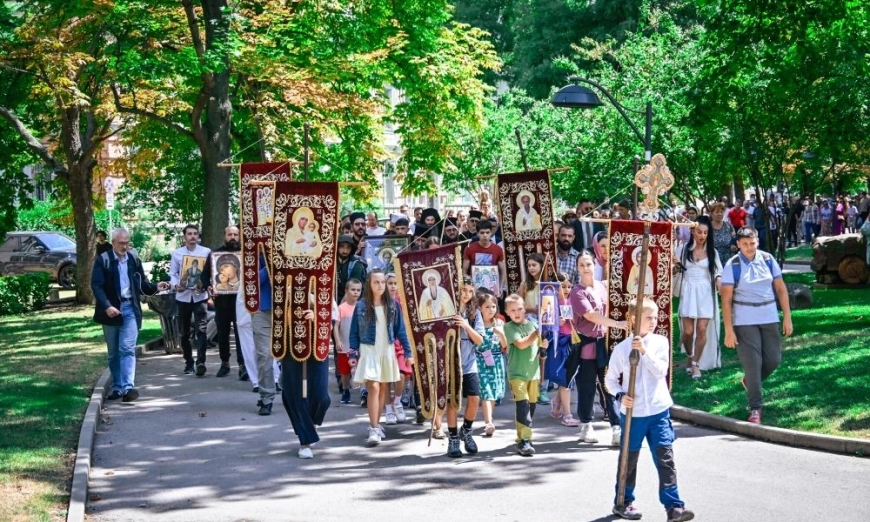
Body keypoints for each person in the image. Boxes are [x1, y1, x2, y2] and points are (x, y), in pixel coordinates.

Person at [606, 297, 695, 522]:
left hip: (658, 411)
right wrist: (620, 395)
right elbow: (610, 380)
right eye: (648, 317)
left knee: (665, 458)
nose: (654, 321)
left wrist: (644, 352)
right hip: (634, 415)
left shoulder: (660, 343)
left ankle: (674, 507)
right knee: (629, 459)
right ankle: (624, 502)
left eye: (656, 317)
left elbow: (660, 372)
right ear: (634, 319)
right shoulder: (621, 349)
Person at [721, 227, 793, 424]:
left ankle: (750, 383)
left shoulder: (768, 259)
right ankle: (755, 408)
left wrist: (787, 317)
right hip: (744, 319)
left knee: (773, 359)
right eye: (744, 244)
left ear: (757, 241)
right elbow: (726, 300)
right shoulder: (732, 265)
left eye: (752, 243)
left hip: (769, 315)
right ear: (738, 245)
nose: (749, 247)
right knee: (753, 364)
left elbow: (781, 289)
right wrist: (728, 329)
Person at [91, 228, 169, 402]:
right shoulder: (103, 261)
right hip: (111, 311)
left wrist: (157, 286)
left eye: (127, 243)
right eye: (121, 243)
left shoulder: (133, 259)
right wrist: (107, 306)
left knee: (126, 349)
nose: (124, 246)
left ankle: (128, 388)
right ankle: (118, 386)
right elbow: (96, 286)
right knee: (113, 352)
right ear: (113, 243)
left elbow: (142, 284)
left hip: (130, 309)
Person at [349, 269, 413, 446]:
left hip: (386, 350)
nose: (380, 286)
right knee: (374, 388)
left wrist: (408, 353)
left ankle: (377, 425)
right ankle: (373, 428)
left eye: (382, 282)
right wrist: (352, 353)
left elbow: (401, 330)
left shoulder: (392, 305)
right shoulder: (362, 305)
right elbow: (354, 331)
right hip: (369, 350)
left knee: (383, 388)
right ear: (370, 284)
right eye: (376, 282)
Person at [571, 252, 629, 446]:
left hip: (604, 344)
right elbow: (590, 315)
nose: (586, 268)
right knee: (586, 387)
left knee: (610, 386)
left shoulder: (603, 287)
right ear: (578, 268)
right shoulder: (577, 292)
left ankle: (616, 428)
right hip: (586, 345)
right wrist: (617, 324)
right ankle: (586, 425)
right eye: (582, 265)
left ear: (594, 264)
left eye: (588, 264)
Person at [675, 216, 723, 378]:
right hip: (688, 291)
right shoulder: (682, 250)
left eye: (705, 233)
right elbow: (674, 271)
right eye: (699, 232)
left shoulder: (712, 252)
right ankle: (690, 356)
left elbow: (718, 272)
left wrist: (720, 285)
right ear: (692, 231)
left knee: (701, 329)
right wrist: (674, 268)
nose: (702, 236)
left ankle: (696, 364)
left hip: (705, 292)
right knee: (687, 332)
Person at [445, 277, 485, 457]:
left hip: (469, 361)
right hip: (450, 362)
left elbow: (479, 339)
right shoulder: (447, 308)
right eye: (463, 290)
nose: (467, 295)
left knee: (475, 397)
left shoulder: (474, 313)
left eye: (470, 291)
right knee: (453, 400)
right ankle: (453, 437)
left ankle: (466, 430)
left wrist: (466, 325)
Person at [503, 293, 546, 456]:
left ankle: (524, 434)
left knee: (531, 406)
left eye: (520, 309)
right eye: (513, 310)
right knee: (523, 405)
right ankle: (524, 440)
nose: (517, 312)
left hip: (533, 373)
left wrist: (544, 345)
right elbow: (521, 344)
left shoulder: (533, 325)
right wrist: (537, 333)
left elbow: (539, 346)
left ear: (524, 309)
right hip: (517, 374)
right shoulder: (508, 327)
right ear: (507, 312)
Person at [200, 226, 245, 378]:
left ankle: (243, 365)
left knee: (241, 334)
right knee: (222, 334)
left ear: (239, 236)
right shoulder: (214, 254)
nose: (233, 237)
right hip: (222, 302)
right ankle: (224, 363)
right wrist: (209, 287)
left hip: (241, 302)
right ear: (224, 236)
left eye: (235, 234)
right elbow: (205, 276)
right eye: (230, 234)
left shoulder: (245, 254)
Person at [170, 225, 211, 376]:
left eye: (195, 234)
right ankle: (188, 362)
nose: (192, 236)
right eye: (189, 234)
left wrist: (205, 285)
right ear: (184, 236)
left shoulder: (206, 252)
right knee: (184, 332)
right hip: (183, 297)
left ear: (198, 236)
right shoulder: (177, 254)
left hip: (200, 296)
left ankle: (201, 362)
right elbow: (173, 273)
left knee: (201, 330)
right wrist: (176, 285)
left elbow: (210, 274)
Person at [545, 273, 579, 426]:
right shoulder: (549, 303)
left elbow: (579, 321)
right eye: (562, 286)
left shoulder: (572, 302)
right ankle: (567, 414)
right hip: (558, 343)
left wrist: (573, 320)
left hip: (571, 342)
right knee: (565, 378)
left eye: (569, 286)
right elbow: (544, 325)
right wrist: (556, 323)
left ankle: (557, 401)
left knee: (568, 377)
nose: (566, 289)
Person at [475, 291, 507, 437]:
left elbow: (505, 345)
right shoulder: (477, 323)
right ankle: (488, 422)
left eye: (493, 306)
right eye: (487, 307)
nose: (491, 310)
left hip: (496, 360)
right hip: (481, 360)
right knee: (486, 391)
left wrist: (500, 334)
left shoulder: (500, 323)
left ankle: (489, 419)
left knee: (494, 392)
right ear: (480, 308)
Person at [250, 253, 277, 416]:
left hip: (288, 311)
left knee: (292, 355)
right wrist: (270, 266)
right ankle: (267, 397)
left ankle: (288, 389)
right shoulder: (254, 250)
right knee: (265, 355)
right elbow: (252, 281)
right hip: (262, 310)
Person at [335, 279, 362, 404]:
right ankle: (346, 390)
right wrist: (337, 340)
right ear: (346, 291)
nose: (356, 293)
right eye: (353, 290)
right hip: (345, 344)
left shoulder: (362, 307)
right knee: (344, 371)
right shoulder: (341, 308)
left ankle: (364, 392)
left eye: (358, 290)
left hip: (359, 345)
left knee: (362, 368)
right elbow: (336, 326)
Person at [463, 219, 506, 293]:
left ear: (491, 232)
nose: (485, 235)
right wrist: (471, 279)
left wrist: (501, 287)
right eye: (482, 233)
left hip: (492, 289)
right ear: (477, 233)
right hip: (475, 289)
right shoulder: (469, 248)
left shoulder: (498, 249)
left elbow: (502, 270)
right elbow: (464, 272)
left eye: (487, 232)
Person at [336, 234, 367, 305]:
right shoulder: (331, 262)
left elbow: (351, 288)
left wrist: (339, 309)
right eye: (342, 247)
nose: (345, 251)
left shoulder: (356, 264)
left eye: (348, 248)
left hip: (350, 301)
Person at [709, 202, 736, 269]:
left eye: (721, 212)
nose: (720, 214)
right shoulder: (708, 227)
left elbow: (734, 238)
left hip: (729, 258)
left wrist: (734, 245)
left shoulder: (728, 225)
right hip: (714, 259)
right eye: (717, 212)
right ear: (711, 214)